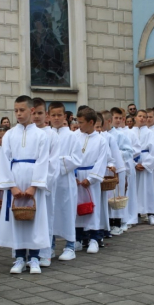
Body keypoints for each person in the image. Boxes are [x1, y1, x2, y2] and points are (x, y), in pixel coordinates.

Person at [0, 95, 51, 274]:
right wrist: (11, 186)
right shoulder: (10, 135)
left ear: (32, 110)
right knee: (17, 219)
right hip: (15, 180)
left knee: (35, 218)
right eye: (16, 111)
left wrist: (34, 186)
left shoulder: (42, 135)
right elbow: (4, 160)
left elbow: (44, 161)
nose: (18, 114)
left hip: (33, 182)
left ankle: (34, 257)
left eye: (22, 110)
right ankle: (19, 257)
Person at [49, 102, 82, 260]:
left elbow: (76, 159)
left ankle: (70, 246)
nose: (56, 118)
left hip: (65, 181)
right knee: (50, 214)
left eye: (59, 115)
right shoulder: (45, 135)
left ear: (65, 117)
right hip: (49, 182)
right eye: (53, 115)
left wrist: (55, 162)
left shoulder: (72, 136)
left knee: (67, 212)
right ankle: (50, 246)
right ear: (48, 116)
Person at [75, 107, 108, 253]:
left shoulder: (101, 140)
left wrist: (91, 178)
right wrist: (73, 175)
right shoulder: (74, 136)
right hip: (76, 176)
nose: (79, 125)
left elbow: (101, 161)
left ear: (91, 122)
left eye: (81, 122)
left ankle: (94, 238)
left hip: (91, 177)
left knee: (93, 206)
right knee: (76, 206)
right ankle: (78, 238)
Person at [32, 98, 59, 267]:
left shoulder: (52, 135)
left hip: (44, 186)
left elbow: (53, 163)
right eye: (33, 113)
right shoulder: (27, 133)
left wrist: (41, 183)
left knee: (45, 219)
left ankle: (44, 253)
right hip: (27, 186)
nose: (36, 116)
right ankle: (28, 252)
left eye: (40, 113)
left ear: (46, 115)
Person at [111, 107, 140, 230]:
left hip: (126, 165)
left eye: (120, 118)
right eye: (115, 118)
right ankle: (117, 219)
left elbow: (133, 150)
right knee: (116, 194)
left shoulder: (129, 132)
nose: (118, 120)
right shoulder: (108, 133)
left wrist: (117, 154)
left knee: (128, 193)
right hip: (114, 168)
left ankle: (129, 218)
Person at [132, 109, 154, 225]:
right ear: (135, 118)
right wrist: (134, 164)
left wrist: (146, 164)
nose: (142, 118)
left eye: (144, 117)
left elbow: (153, 151)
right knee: (135, 189)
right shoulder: (130, 132)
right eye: (140, 116)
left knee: (147, 189)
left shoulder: (149, 133)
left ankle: (151, 213)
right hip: (135, 162)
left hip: (146, 161)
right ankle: (135, 214)